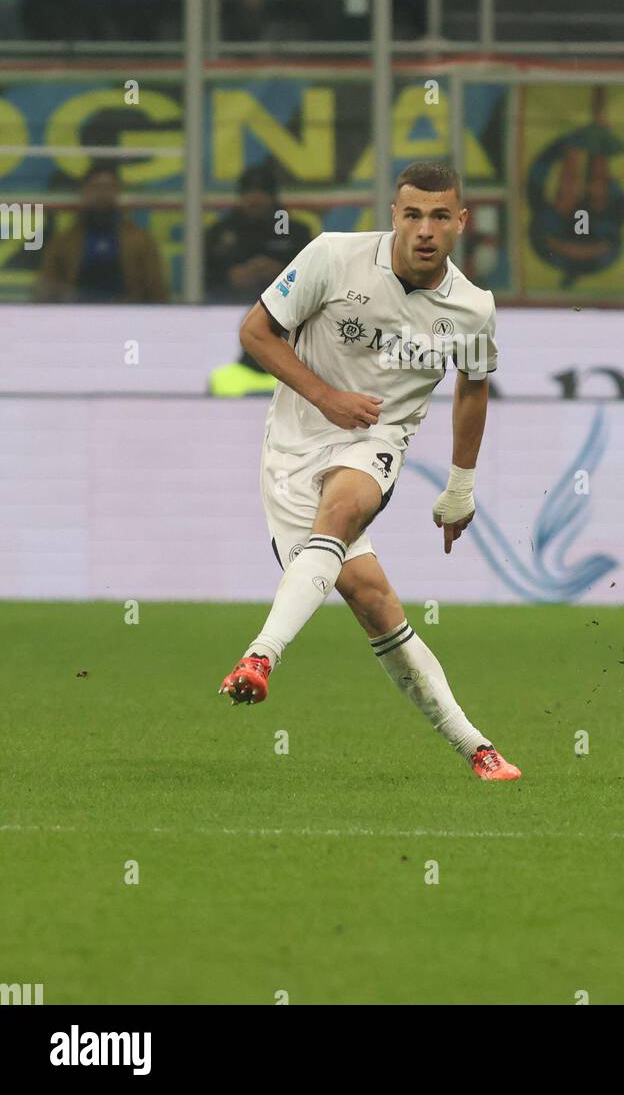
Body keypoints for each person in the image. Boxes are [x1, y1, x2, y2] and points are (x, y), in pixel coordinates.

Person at [218, 160, 521, 783]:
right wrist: (326, 397)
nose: (425, 230)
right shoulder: (332, 257)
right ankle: (476, 748)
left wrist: (460, 486)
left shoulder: (471, 309)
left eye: (440, 216)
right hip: (292, 447)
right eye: (413, 214)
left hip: (375, 440)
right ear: (394, 216)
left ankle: (260, 657)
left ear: (461, 222)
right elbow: (256, 333)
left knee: (347, 502)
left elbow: (472, 388)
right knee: (374, 601)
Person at [35, 162, 167, 303]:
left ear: (117, 192)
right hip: (76, 317)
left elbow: (156, 289)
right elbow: (46, 291)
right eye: (95, 187)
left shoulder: (141, 241)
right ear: (84, 191)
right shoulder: (63, 243)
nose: (102, 194)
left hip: (127, 317)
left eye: (108, 188)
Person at [204, 164, 313, 304]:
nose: (255, 198)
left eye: (262, 192)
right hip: (228, 306)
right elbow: (202, 276)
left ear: (273, 196)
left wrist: (282, 274)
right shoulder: (219, 232)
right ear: (241, 196)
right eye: (249, 192)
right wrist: (230, 277)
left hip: (285, 307)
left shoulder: (296, 232)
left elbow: (310, 276)